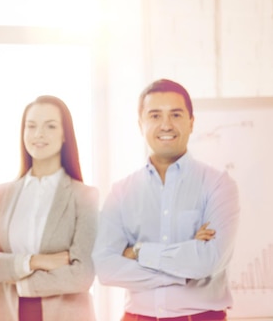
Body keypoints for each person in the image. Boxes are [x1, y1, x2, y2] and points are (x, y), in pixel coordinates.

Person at [92, 78, 240, 321]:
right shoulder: (121, 192)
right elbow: (105, 268)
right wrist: (183, 267)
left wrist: (138, 251)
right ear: (141, 124)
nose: (166, 125)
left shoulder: (218, 184)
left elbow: (209, 262)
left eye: (176, 114)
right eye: (155, 115)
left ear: (191, 123)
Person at [0, 95, 98, 321]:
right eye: (31, 126)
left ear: (64, 135)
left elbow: (83, 274)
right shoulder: (0, 195)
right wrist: (33, 261)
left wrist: (18, 280)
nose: (39, 134)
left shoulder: (85, 197)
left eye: (50, 126)